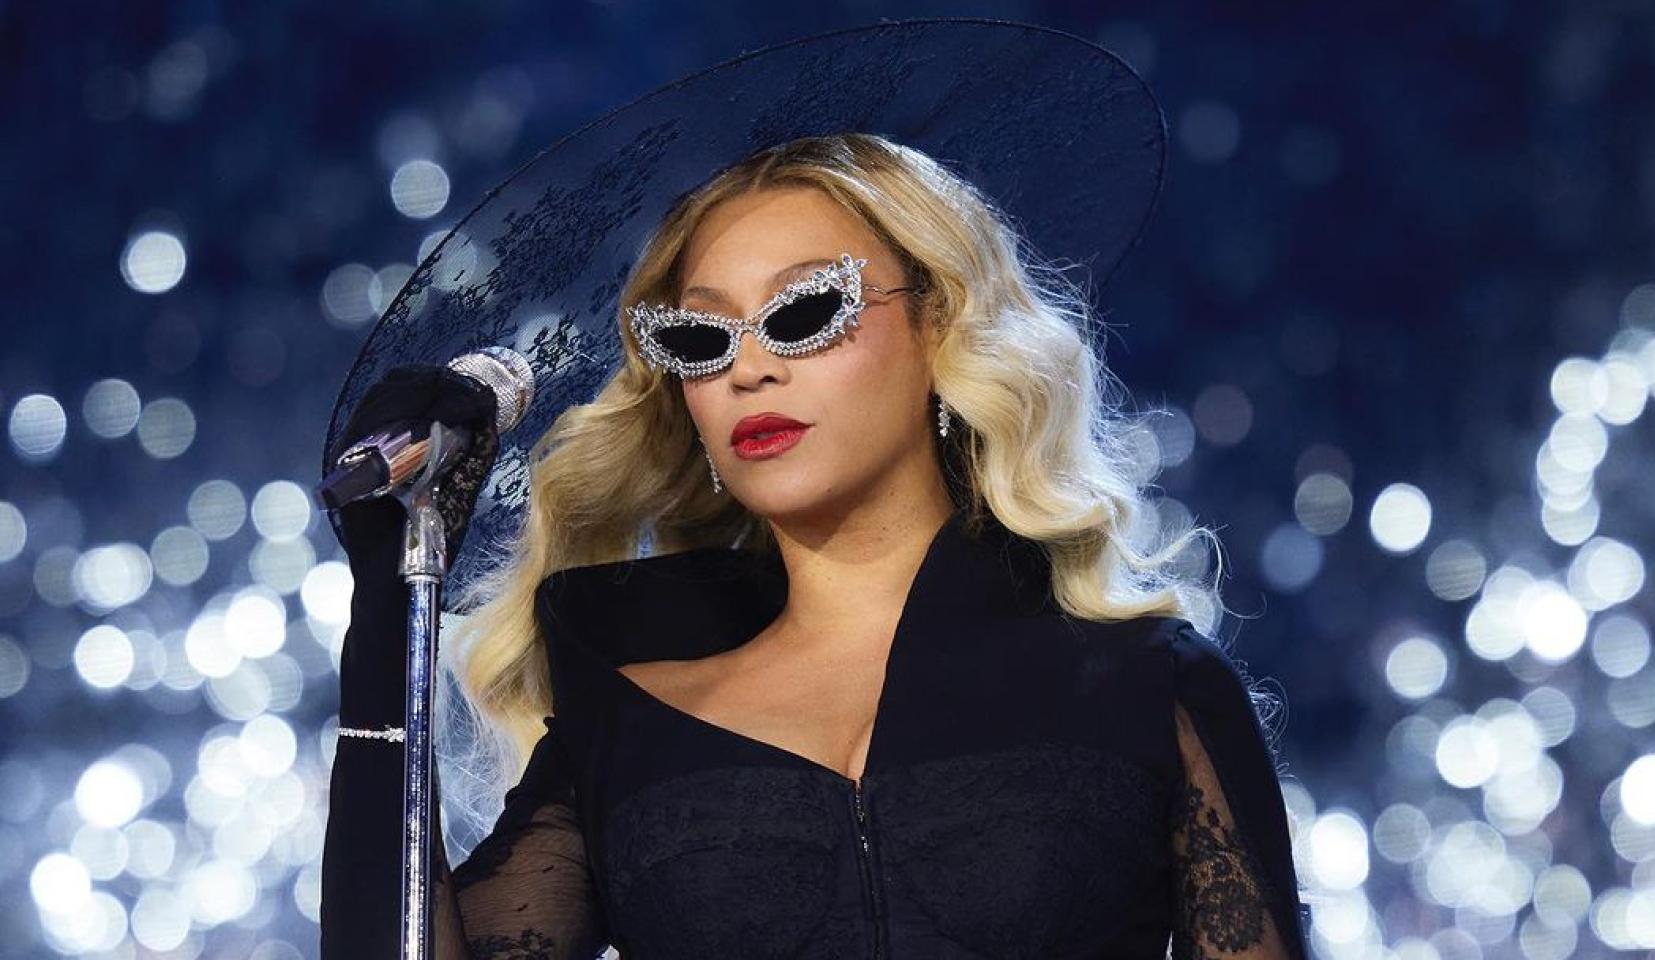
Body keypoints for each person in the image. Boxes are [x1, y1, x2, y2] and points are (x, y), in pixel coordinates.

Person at [319, 20, 1312, 960]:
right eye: (700, 337)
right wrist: (386, 614)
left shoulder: (1146, 686)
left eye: (803, 313)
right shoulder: (625, 715)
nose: (749, 368)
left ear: (938, 325)